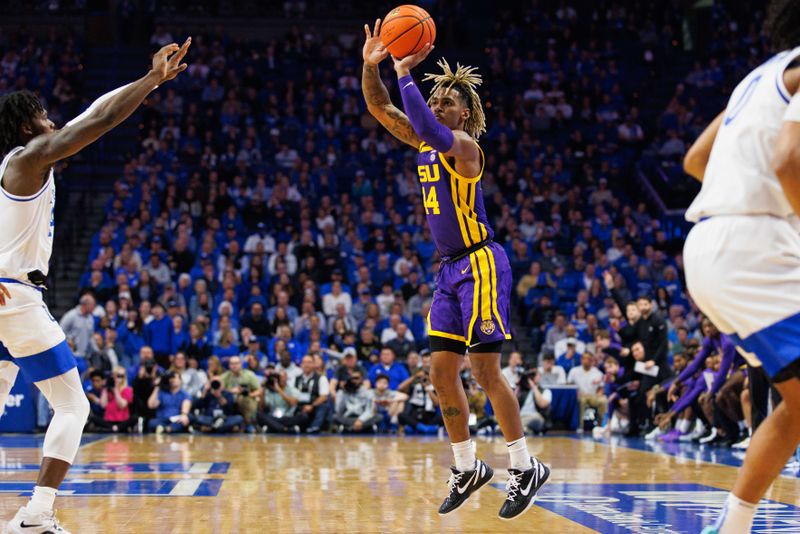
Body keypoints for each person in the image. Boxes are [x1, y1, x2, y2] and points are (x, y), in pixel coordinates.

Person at [0, 37, 190, 533]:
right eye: (44, 116)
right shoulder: (28, 157)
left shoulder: (7, 171)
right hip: (14, 299)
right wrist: (151, 81)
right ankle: (38, 512)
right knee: (72, 405)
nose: (53, 122)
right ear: (26, 126)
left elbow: (91, 110)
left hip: (7, 295)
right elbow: (100, 122)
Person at [362, 20, 548, 519]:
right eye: (435, 98)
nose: (438, 104)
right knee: (441, 373)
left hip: (482, 263)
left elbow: (422, 124)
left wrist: (405, 71)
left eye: (447, 101)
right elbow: (380, 108)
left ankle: (525, 466)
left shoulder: (465, 148)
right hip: (448, 271)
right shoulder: (425, 142)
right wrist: (370, 65)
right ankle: (467, 466)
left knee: (485, 370)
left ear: (465, 112)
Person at [681, 4, 800, 530]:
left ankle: (733, 525)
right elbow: (787, 161)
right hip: (755, 245)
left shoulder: (760, 76)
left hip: (708, 245)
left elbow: (695, 161)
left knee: (796, 405)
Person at [221, 356, 262, 432]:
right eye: (232, 364)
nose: (234, 366)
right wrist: (231, 391)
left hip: (246, 399)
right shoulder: (225, 376)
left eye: (236, 363)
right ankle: (228, 423)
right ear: (229, 365)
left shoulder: (249, 375)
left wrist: (248, 394)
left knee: (242, 399)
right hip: (229, 400)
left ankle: (248, 423)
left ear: (241, 364)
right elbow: (219, 389)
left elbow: (259, 390)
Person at [567, 353, 607, 430]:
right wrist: (576, 393)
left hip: (593, 395)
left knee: (603, 400)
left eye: (589, 359)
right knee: (581, 401)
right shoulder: (574, 371)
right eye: (584, 358)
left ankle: (600, 425)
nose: (586, 361)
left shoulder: (597, 372)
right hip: (580, 395)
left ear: (592, 361)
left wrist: (599, 395)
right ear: (581, 360)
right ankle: (580, 426)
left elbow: (601, 388)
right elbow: (569, 385)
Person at [97, 366, 134, 433]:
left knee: (134, 418)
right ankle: (113, 428)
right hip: (108, 420)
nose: (118, 378)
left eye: (121, 376)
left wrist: (115, 390)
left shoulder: (128, 390)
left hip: (122, 421)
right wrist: (106, 388)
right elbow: (103, 405)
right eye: (116, 376)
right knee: (94, 418)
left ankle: (115, 428)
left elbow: (122, 405)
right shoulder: (107, 390)